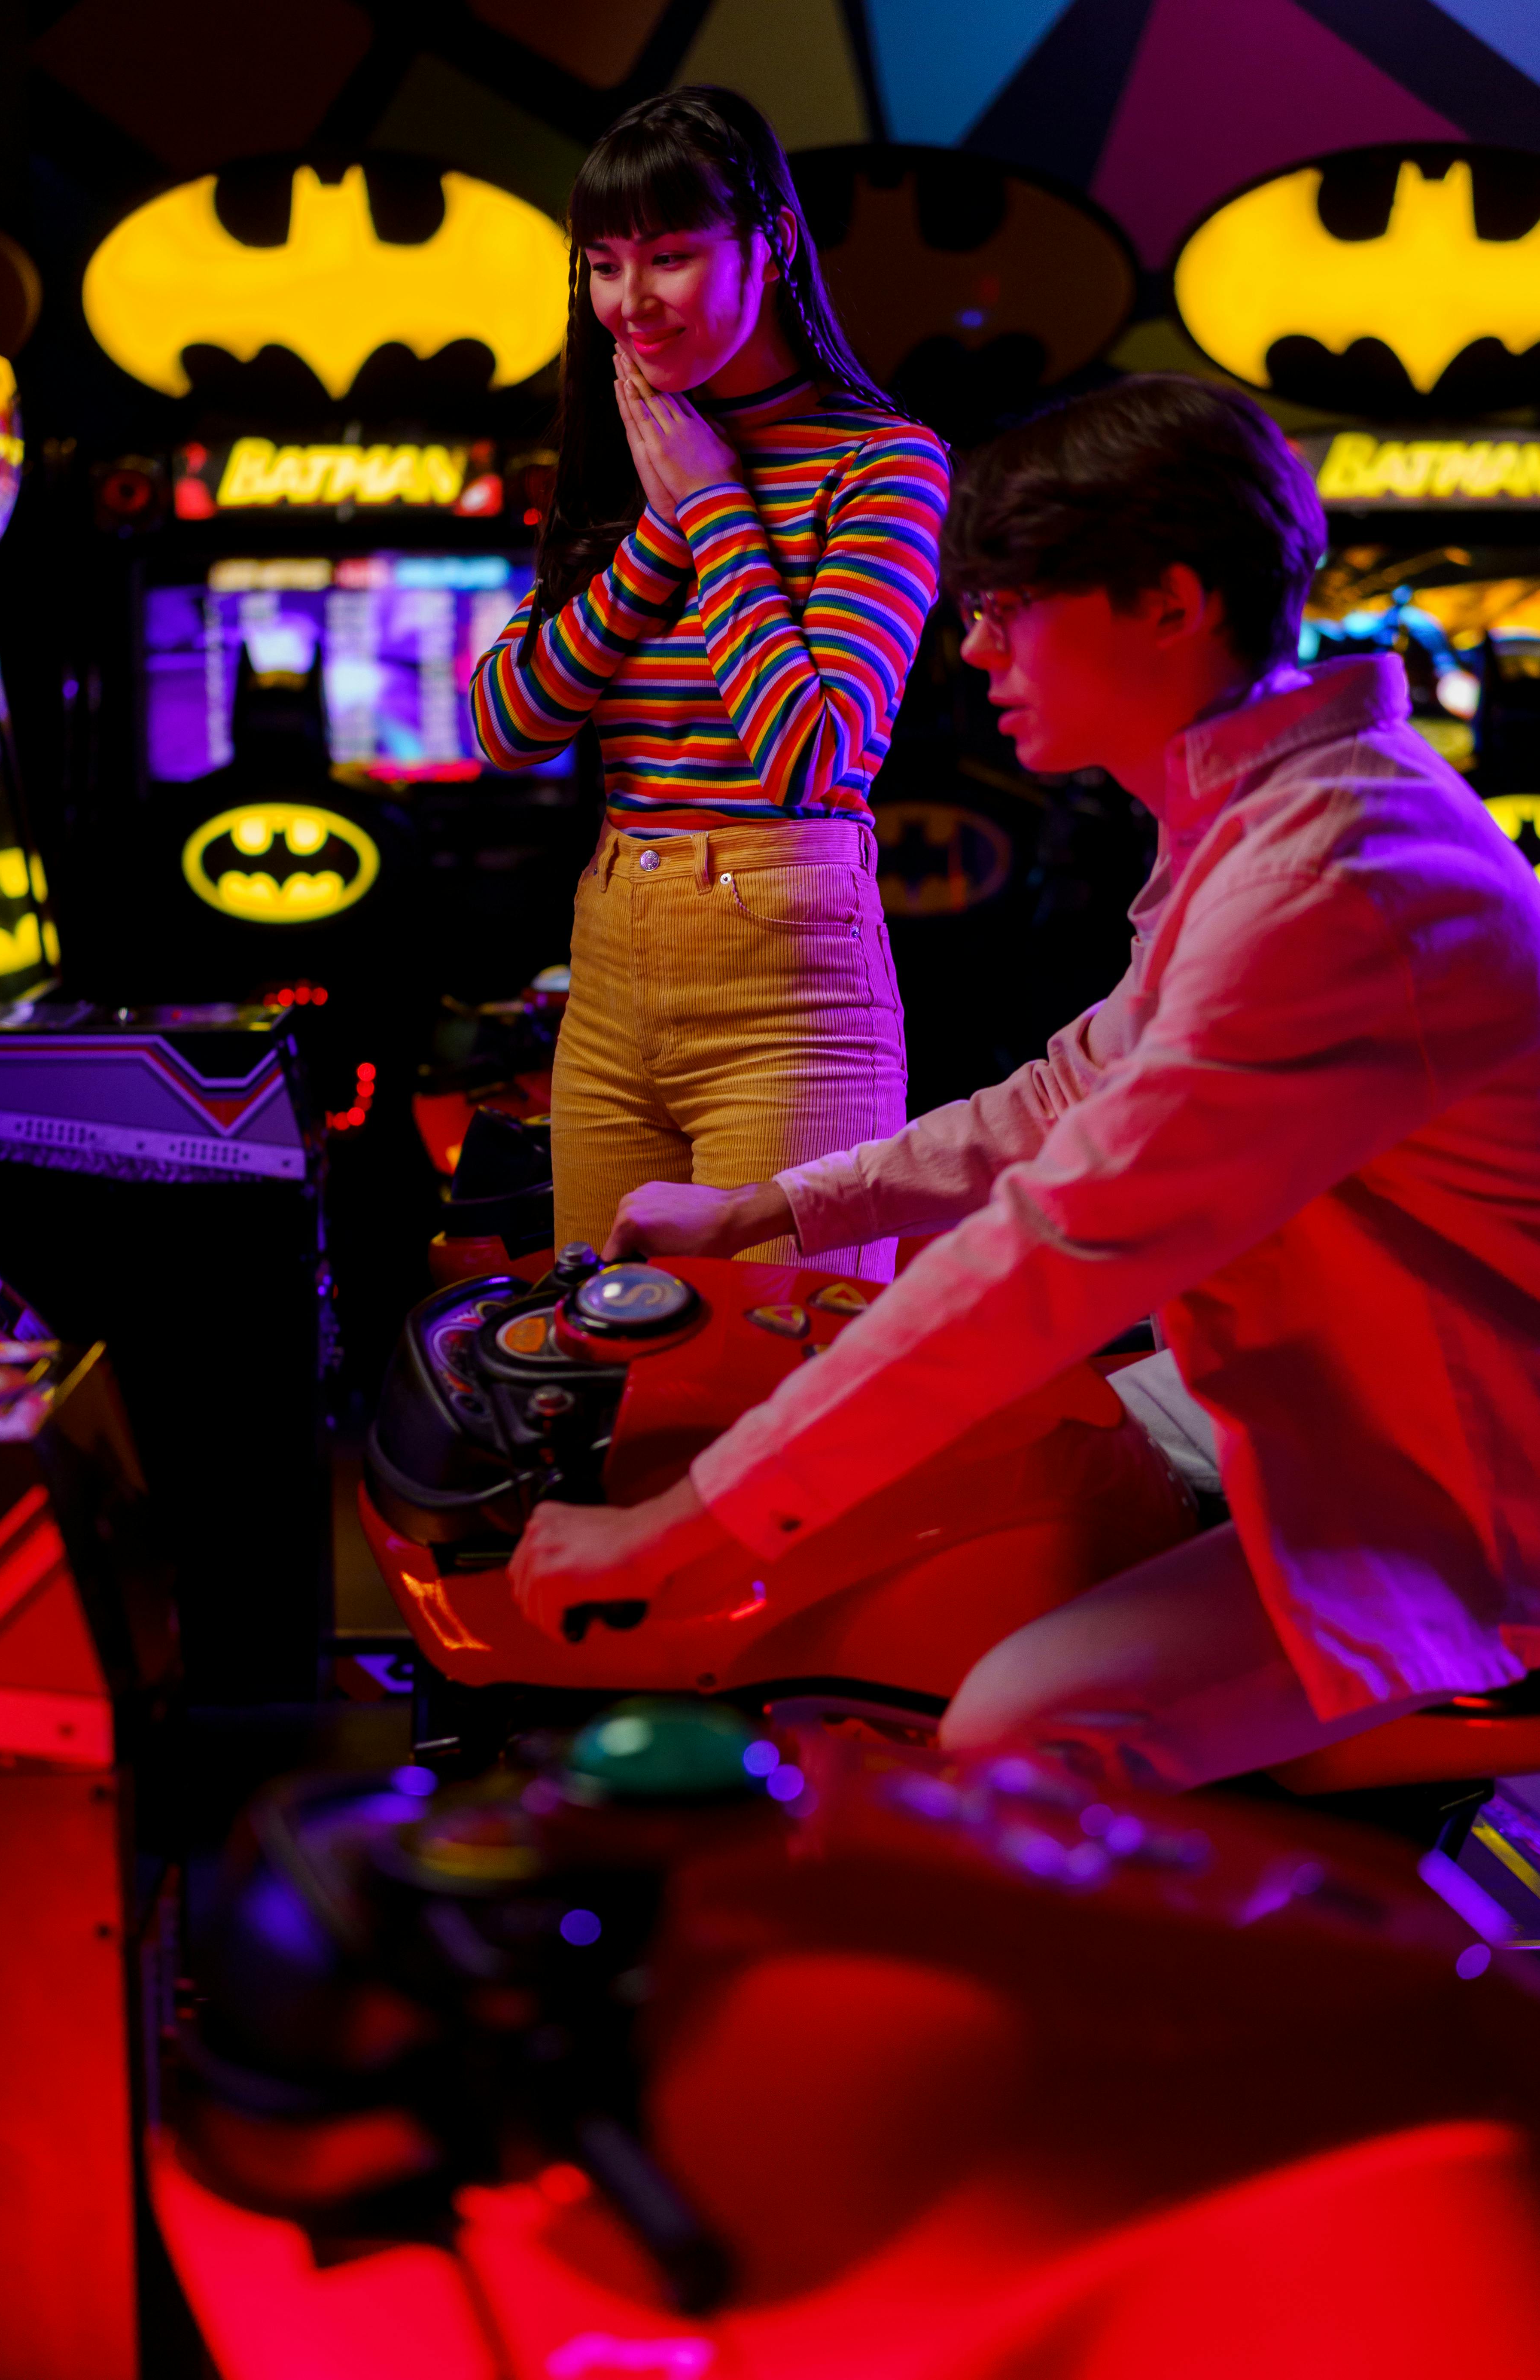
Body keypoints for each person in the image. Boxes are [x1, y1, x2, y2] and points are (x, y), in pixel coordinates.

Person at [505, 373, 1540, 1794]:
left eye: (1010, 603)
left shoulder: (1337, 875)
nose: (971, 645)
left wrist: (681, 1528)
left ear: (1170, 603)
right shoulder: (1266, 809)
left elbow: (1062, 1247)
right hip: (1324, 1380)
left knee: (1015, 1726)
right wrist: (766, 1212)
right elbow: (1068, 1097)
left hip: (1465, 1470)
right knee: (950, 1520)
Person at [472, 88, 948, 1278]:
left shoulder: (882, 462)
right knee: (603, 1386)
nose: (631, 302)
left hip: (788, 985)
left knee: (776, 1397)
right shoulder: (621, 456)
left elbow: (813, 754)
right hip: (612, 952)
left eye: (672, 257)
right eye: (604, 265)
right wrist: (665, 533)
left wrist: (719, 508)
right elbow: (505, 724)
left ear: (774, 243)